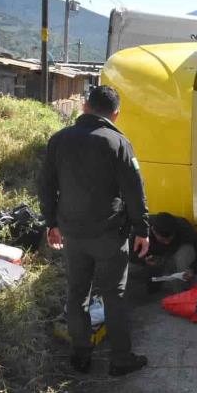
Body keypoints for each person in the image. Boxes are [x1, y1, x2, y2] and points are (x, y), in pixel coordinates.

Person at [38, 85, 151, 377]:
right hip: (110, 235)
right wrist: (142, 229)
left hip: (72, 234)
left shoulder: (59, 140)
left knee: (77, 294)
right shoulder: (118, 142)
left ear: (85, 107)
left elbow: (46, 185)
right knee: (115, 295)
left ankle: (81, 355)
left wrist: (51, 223)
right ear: (116, 114)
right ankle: (120, 359)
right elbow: (135, 192)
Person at [130, 212, 197, 288]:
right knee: (127, 269)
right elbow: (124, 253)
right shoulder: (139, 228)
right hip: (150, 260)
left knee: (187, 251)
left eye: (170, 239)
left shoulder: (183, 227)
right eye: (163, 240)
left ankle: (184, 294)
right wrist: (143, 260)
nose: (167, 243)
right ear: (153, 231)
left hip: (174, 258)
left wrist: (193, 269)